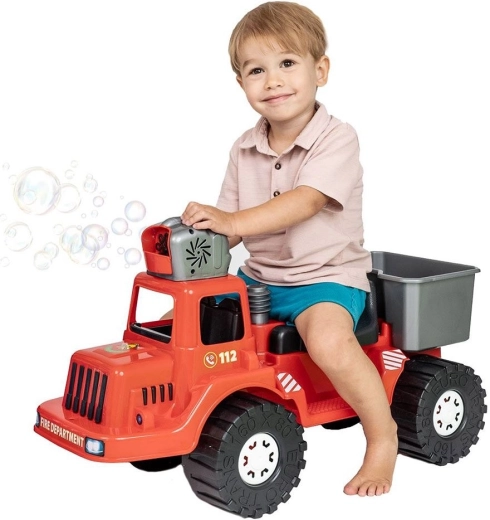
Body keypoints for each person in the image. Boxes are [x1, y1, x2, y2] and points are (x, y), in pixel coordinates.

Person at [181, 1, 398, 497]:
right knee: (190, 325)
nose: (273, 80)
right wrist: (195, 240)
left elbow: (306, 201)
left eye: (287, 63)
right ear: (241, 83)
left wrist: (233, 221)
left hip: (326, 279)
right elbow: (229, 226)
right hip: (259, 279)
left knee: (328, 342)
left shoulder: (337, 138)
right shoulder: (243, 147)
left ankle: (383, 437)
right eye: (256, 70)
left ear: (320, 70)